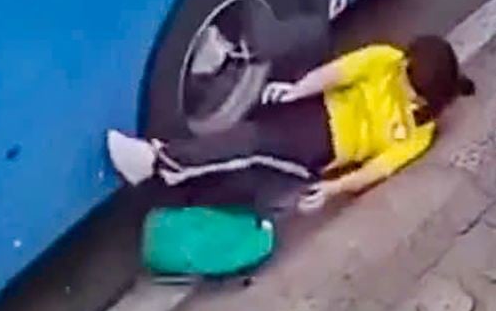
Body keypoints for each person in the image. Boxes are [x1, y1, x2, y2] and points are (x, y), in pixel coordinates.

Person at [107, 35, 475, 213]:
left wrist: (333, 189)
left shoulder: (419, 134)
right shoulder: (387, 60)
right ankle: (220, 60)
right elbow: (338, 72)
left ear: (424, 98)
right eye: (401, 73)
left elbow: (377, 169)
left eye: (406, 84)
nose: (398, 80)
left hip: (324, 147)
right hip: (316, 107)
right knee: (261, 98)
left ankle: (159, 162)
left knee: (252, 142)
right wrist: (296, 90)